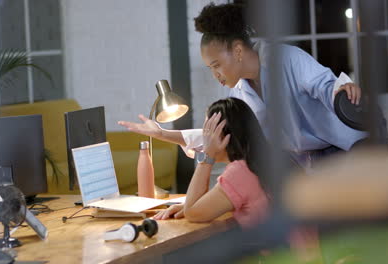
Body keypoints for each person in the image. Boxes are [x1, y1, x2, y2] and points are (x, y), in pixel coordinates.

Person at [119, 3, 369, 170]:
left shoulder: (286, 58)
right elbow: (218, 134)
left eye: (216, 64)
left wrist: (343, 90)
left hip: (350, 150)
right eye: (210, 68)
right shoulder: (240, 93)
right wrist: (163, 134)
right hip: (312, 163)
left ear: (238, 51)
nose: (216, 74)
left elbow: (324, 86)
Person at [153, 98, 270, 229]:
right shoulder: (266, 160)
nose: (204, 138)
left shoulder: (239, 172)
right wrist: (197, 206)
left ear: (221, 134)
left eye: (207, 132)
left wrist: (208, 155)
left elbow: (192, 213)